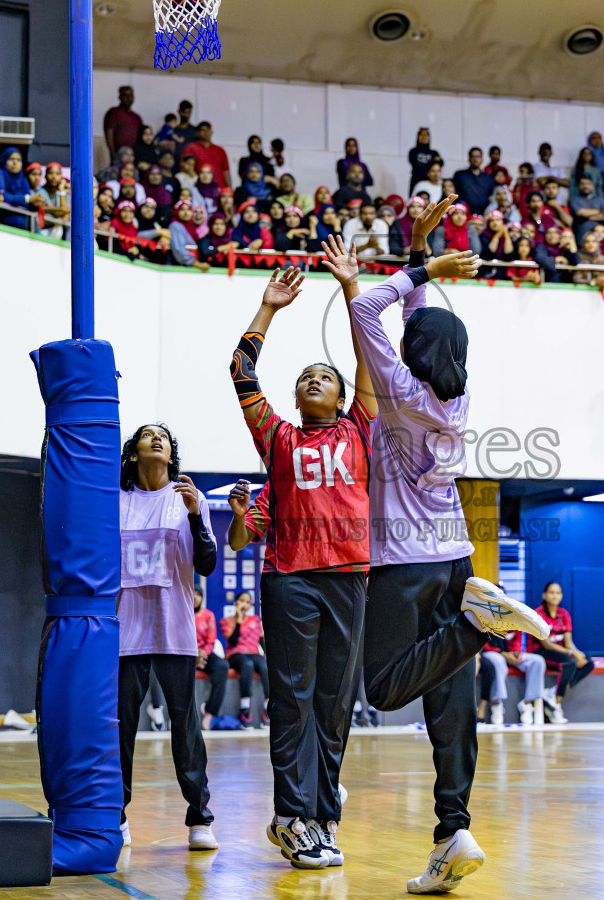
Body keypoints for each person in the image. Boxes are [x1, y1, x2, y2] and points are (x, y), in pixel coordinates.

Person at [343, 196, 549, 894]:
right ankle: (451, 831)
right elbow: (421, 326)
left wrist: (420, 264)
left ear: (413, 356)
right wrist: (418, 247)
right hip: (457, 555)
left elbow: (372, 311)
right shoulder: (452, 396)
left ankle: (474, 626)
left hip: (404, 565)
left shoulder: (399, 388)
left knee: (382, 685)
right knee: (451, 706)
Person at [226, 252, 377, 871]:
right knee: (292, 696)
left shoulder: (362, 428)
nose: (313, 379)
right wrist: (268, 309)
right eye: (305, 377)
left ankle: (322, 817)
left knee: (335, 703)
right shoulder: (279, 438)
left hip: (350, 577)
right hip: (290, 580)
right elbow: (239, 370)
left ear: (343, 397)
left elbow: (371, 358)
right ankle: (291, 817)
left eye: (325, 376)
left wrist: (350, 287)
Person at [115, 423, 218, 851]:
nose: (158, 439)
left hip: (173, 627)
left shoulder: (187, 500)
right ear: (133, 454)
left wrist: (196, 516)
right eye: (147, 435)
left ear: (172, 453)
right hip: (125, 631)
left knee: (186, 725)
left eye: (165, 436)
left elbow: (207, 564)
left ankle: (200, 817)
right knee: (120, 728)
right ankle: (115, 815)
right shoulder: (116, 502)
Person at [533, 582, 591, 724]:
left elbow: (568, 642)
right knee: (569, 662)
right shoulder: (537, 614)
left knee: (588, 661)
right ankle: (557, 704)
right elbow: (546, 643)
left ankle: (552, 693)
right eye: (551, 592)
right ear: (545, 595)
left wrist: (577, 652)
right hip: (541, 652)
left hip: (560, 652)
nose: (555, 596)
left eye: (558, 593)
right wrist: (571, 654)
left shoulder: (564, 614)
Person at [218, 590, 267, 726]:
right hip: (235, 654)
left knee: (264, 665)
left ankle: (267, 708)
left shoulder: (256, 620)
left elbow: (262, 640)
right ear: (236, 603)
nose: (245, 604)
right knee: (247, 664)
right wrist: (238, 619)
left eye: (247, 602)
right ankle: (244, 708)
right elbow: (233, 641)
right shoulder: (226, 621)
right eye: (242, 601)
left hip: (253, 652)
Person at [477, 630, 546, 725]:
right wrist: (503, 653)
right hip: (492, 652)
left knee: (538, 661)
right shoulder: (490, 617)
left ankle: (527, 704)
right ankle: (496, 703)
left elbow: (518, 638)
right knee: (498, 660)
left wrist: (515, 652)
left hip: (510, 653)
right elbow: (486, 641)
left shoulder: (515, 617)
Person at [192, 586, 228, 724]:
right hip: (188, 653)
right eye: (192, 594)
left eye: (198, 594)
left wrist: (203, 654)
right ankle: (177, 716)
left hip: (205, 653)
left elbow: (211, 640)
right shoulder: (183, 613)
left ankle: (210, 712)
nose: (195, 597)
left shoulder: (208, 615)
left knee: (222, 666)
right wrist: (195, 654)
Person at [181, 123, 231, 189]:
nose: (206, 133)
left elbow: (226, 171)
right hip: (199, 188)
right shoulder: (190, 148)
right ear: (197, 133)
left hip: (219, 188)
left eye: (208, 130)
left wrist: (229, 189)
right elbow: (184, 167)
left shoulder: (220, 150)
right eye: (203, 130)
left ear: (211, 132)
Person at [452, 148, 495, 215]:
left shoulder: (488, 178)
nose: (475, 159)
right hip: (463, 215)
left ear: (482, 158)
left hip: (484, 215)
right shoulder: (460, 175)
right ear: (469, 158)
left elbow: (491, 197)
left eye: (478, 156)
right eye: (473, 156)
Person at [103, 85, 144, 155]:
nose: (128, 98)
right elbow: (109, 134)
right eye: (125, 95)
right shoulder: (113, 112)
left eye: (131, 95)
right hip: (119, 156)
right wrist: (113, 155)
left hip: (134, 157)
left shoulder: (137, 117)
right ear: (120, 97)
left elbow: (142, 137)